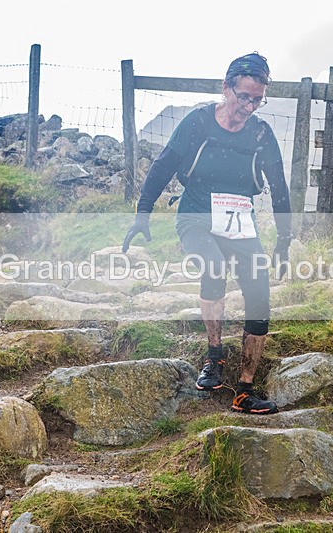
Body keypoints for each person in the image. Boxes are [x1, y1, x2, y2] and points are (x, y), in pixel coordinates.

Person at [122, 52, 292, 415]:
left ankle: (245, 389)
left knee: (259, 292)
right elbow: (164, 165)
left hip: (239, 221)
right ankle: (214, 356)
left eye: (257, 99)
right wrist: (142, 214)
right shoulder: (198, 122)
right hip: (196, 215)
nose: (248, 105)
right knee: (213, 268)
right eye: (243, 96)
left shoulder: (261, 134)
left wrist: (284, 240)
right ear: (225, 87)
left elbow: (279, 189)